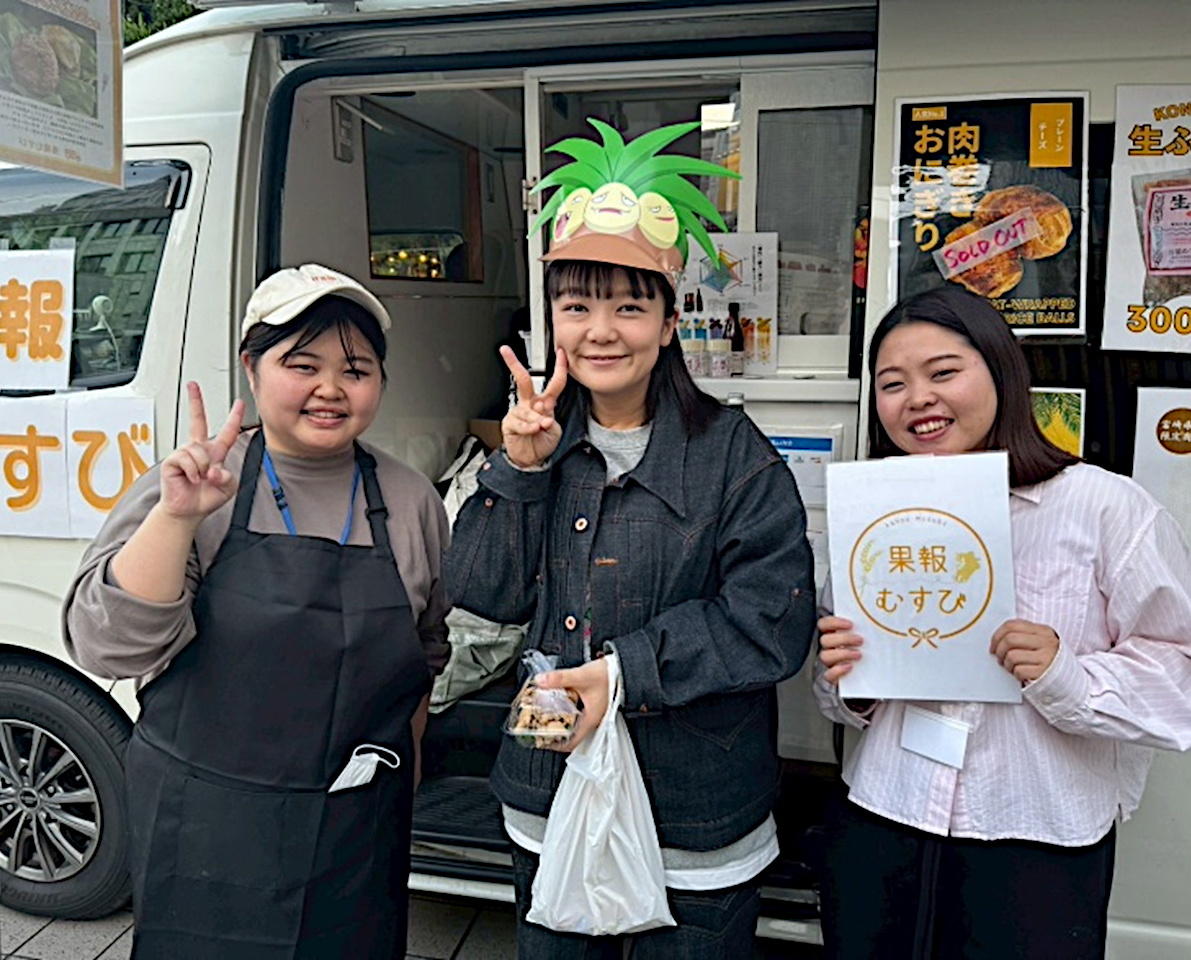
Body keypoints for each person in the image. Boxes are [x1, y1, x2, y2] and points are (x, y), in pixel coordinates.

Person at [444, 118, 816, 958]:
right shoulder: (534, 441)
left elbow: (772, 621)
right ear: (553, 320)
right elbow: (479, 590)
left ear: (669, 319)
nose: (601, 330)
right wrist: (519, 470)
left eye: (628, 305)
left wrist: (624, 674)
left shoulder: (737, 458)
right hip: (548, 791)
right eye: (577, 305)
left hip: (697, 815)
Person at [813, 286, 1191, 959]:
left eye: (944, 372)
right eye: (892, 384)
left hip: (1034, 839)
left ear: (1002, 371)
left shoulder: (1103, 507)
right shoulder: (876, 514)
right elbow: (838, 694)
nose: (918, 398)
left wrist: (1065, 675)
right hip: (883, 817)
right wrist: (850, 681)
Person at [64, 263, 451, 959]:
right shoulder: (193, 487)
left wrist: (408, 761)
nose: (331, 388)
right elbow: (108, 646)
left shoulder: (411, 499)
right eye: (302, 364)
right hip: (206, 824)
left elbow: (423, 652)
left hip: (354, 829)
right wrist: (176, 518)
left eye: (356, 369)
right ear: (252, 367)